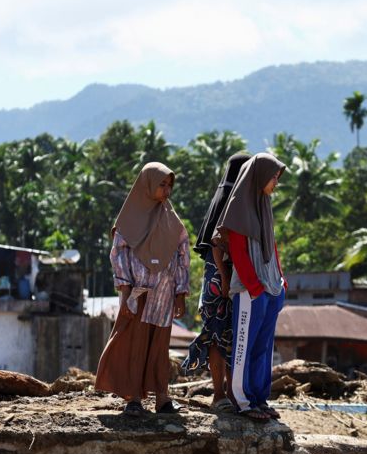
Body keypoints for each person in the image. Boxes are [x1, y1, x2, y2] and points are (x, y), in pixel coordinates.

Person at [95, 162, 190, 417]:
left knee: (160, 348)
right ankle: (133, 399)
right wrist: (125, 294)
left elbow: (182, 255)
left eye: (169, 185)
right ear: (147, 185)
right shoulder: (129, 220)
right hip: (139, 294)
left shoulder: (172, 220)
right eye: (162, 184)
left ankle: (162, 398)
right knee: (134, 346)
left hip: (164, 297)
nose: (167, 190)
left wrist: (180, 293)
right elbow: (119, 256)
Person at [211, 153, 287, 422]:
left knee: (263, 348)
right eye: (273, 177)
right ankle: (242, 401)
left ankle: (259, 398)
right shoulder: (241, 207)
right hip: (249, 289)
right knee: (244, 346)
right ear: (259, 176)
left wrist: (280, 280)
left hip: (270, 288)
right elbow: (239, 253)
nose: (276, 182)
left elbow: (272, 245)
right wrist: (254, 287)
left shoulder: (264, 205)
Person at [181, 152, 251, 411]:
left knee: (219, 336)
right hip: (223, 280)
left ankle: (224, 395)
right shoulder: (233, 202)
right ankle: (224, 395)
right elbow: (217, 244)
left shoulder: (221, 198)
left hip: (217, 279)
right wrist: (224, 278)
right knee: (225, 338)